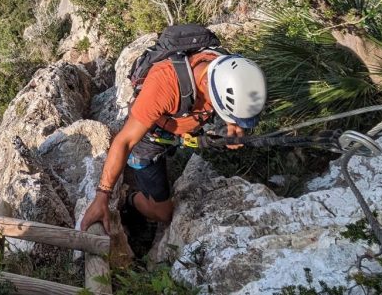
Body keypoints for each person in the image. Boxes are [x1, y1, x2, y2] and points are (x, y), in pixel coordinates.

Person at [80, 51, 266, 233]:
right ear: (206, 84)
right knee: (163, 214)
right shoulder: (164, 86)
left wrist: (233, 124)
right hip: (149, 139)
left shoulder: (224, 68)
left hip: (178, 128)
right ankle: (131, 201)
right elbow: (125, 141)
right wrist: (102, 196)